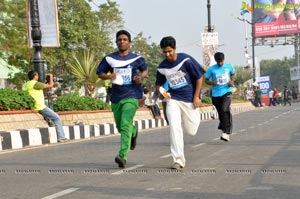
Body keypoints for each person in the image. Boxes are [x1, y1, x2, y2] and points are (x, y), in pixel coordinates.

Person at [96, 30, 148, 168]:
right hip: (116, 97)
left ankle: (122, 155)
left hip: (132, 96)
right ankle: (134, 131)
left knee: (125, 123)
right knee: (121, 126)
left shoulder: (137, 59)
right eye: (119, 39)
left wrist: (140, 77)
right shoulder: (109, 59)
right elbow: (99, 72)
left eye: (125, 39)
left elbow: (145, 71)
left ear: (129, 42)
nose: (122, 41)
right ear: (116, 42)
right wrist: (109, 77)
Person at [155, 36, 205, 169]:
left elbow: (199, 77)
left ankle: (184, 119)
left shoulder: (186, 61)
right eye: (164, 52)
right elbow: (158, 84)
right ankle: (178, 160)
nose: (167, 54)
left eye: (170, 51)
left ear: (175, 48)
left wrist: (196, 97)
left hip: (189, 100)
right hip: (173, 99)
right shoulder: (162, 67)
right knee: (174, 127)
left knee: (191, 130)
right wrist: (160, 92)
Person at [24, 71, 68, 142]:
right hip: (40, 106)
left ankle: (49, 122)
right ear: (35, 76)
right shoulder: (35, 83)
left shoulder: (28, 84)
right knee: (57, 118)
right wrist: (51, 77)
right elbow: (50, 86)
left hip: (34, 105)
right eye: (37, 75)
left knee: (47, 103)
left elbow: (43, 86)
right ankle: (61, 137)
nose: (38, 77)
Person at [205, 52, 235, 142]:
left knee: (225, 109)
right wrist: (212, 83)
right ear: (216, 60)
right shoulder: (211, 69)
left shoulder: (229, 66)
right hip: (216, 94)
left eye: (221, 61)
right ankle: (223, 126)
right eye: (218, 61)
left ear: (223, 60)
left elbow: (233, 74)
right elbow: (206, 80)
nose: (220, 63)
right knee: (221, 112)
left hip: (226, 91)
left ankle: (226, 133)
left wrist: (232, 82)